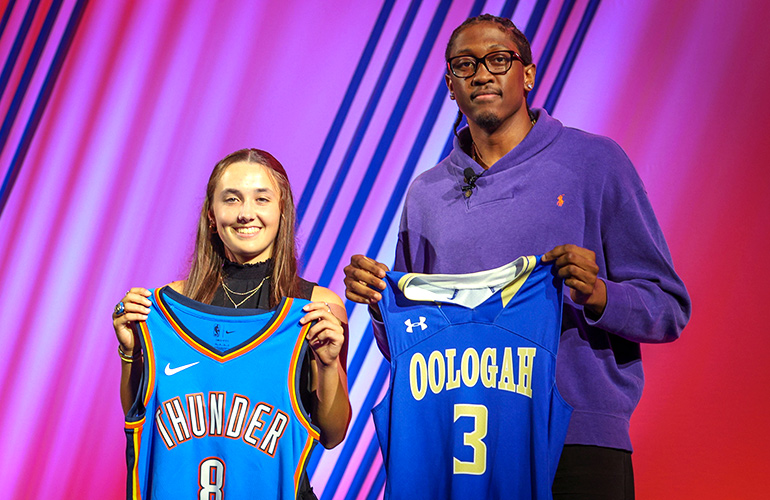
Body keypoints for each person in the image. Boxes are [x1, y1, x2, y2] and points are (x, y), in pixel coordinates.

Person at [343, 14, 690, 499]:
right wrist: (380, 305)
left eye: (498, 60)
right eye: (465, 64)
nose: (481, 73)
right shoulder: (426, 194)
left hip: (579, 440)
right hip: (467, 444)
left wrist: (599, 295)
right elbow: (424, 337)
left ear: (527, 74)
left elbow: (668, 309)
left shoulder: (596, 163)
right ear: (449, 84)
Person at [113, 148, 351, 499]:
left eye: (261, 199)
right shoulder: (163, 308)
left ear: (281, 209)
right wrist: (129, 351)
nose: (246, 213)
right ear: (211, 215)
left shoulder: (315, 309)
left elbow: (332, 435)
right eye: (232, 199)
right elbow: (140, 418)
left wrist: (328, 364)